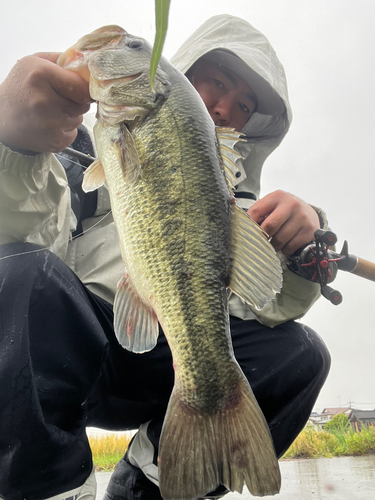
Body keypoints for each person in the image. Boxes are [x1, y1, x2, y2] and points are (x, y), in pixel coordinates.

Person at [0, 14, 330, 500]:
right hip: (77, 357)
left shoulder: (243, 212)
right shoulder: (76, 150)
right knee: (25, 274)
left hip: (166, 363)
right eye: (216, 82)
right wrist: (16, 146)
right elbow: (23, 241)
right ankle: (52, 489)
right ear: (178, 71)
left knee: (302, 354)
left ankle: (151, 485)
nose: (223, 108)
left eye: (244, 104)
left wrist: (306, 251)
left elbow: (268, 304)